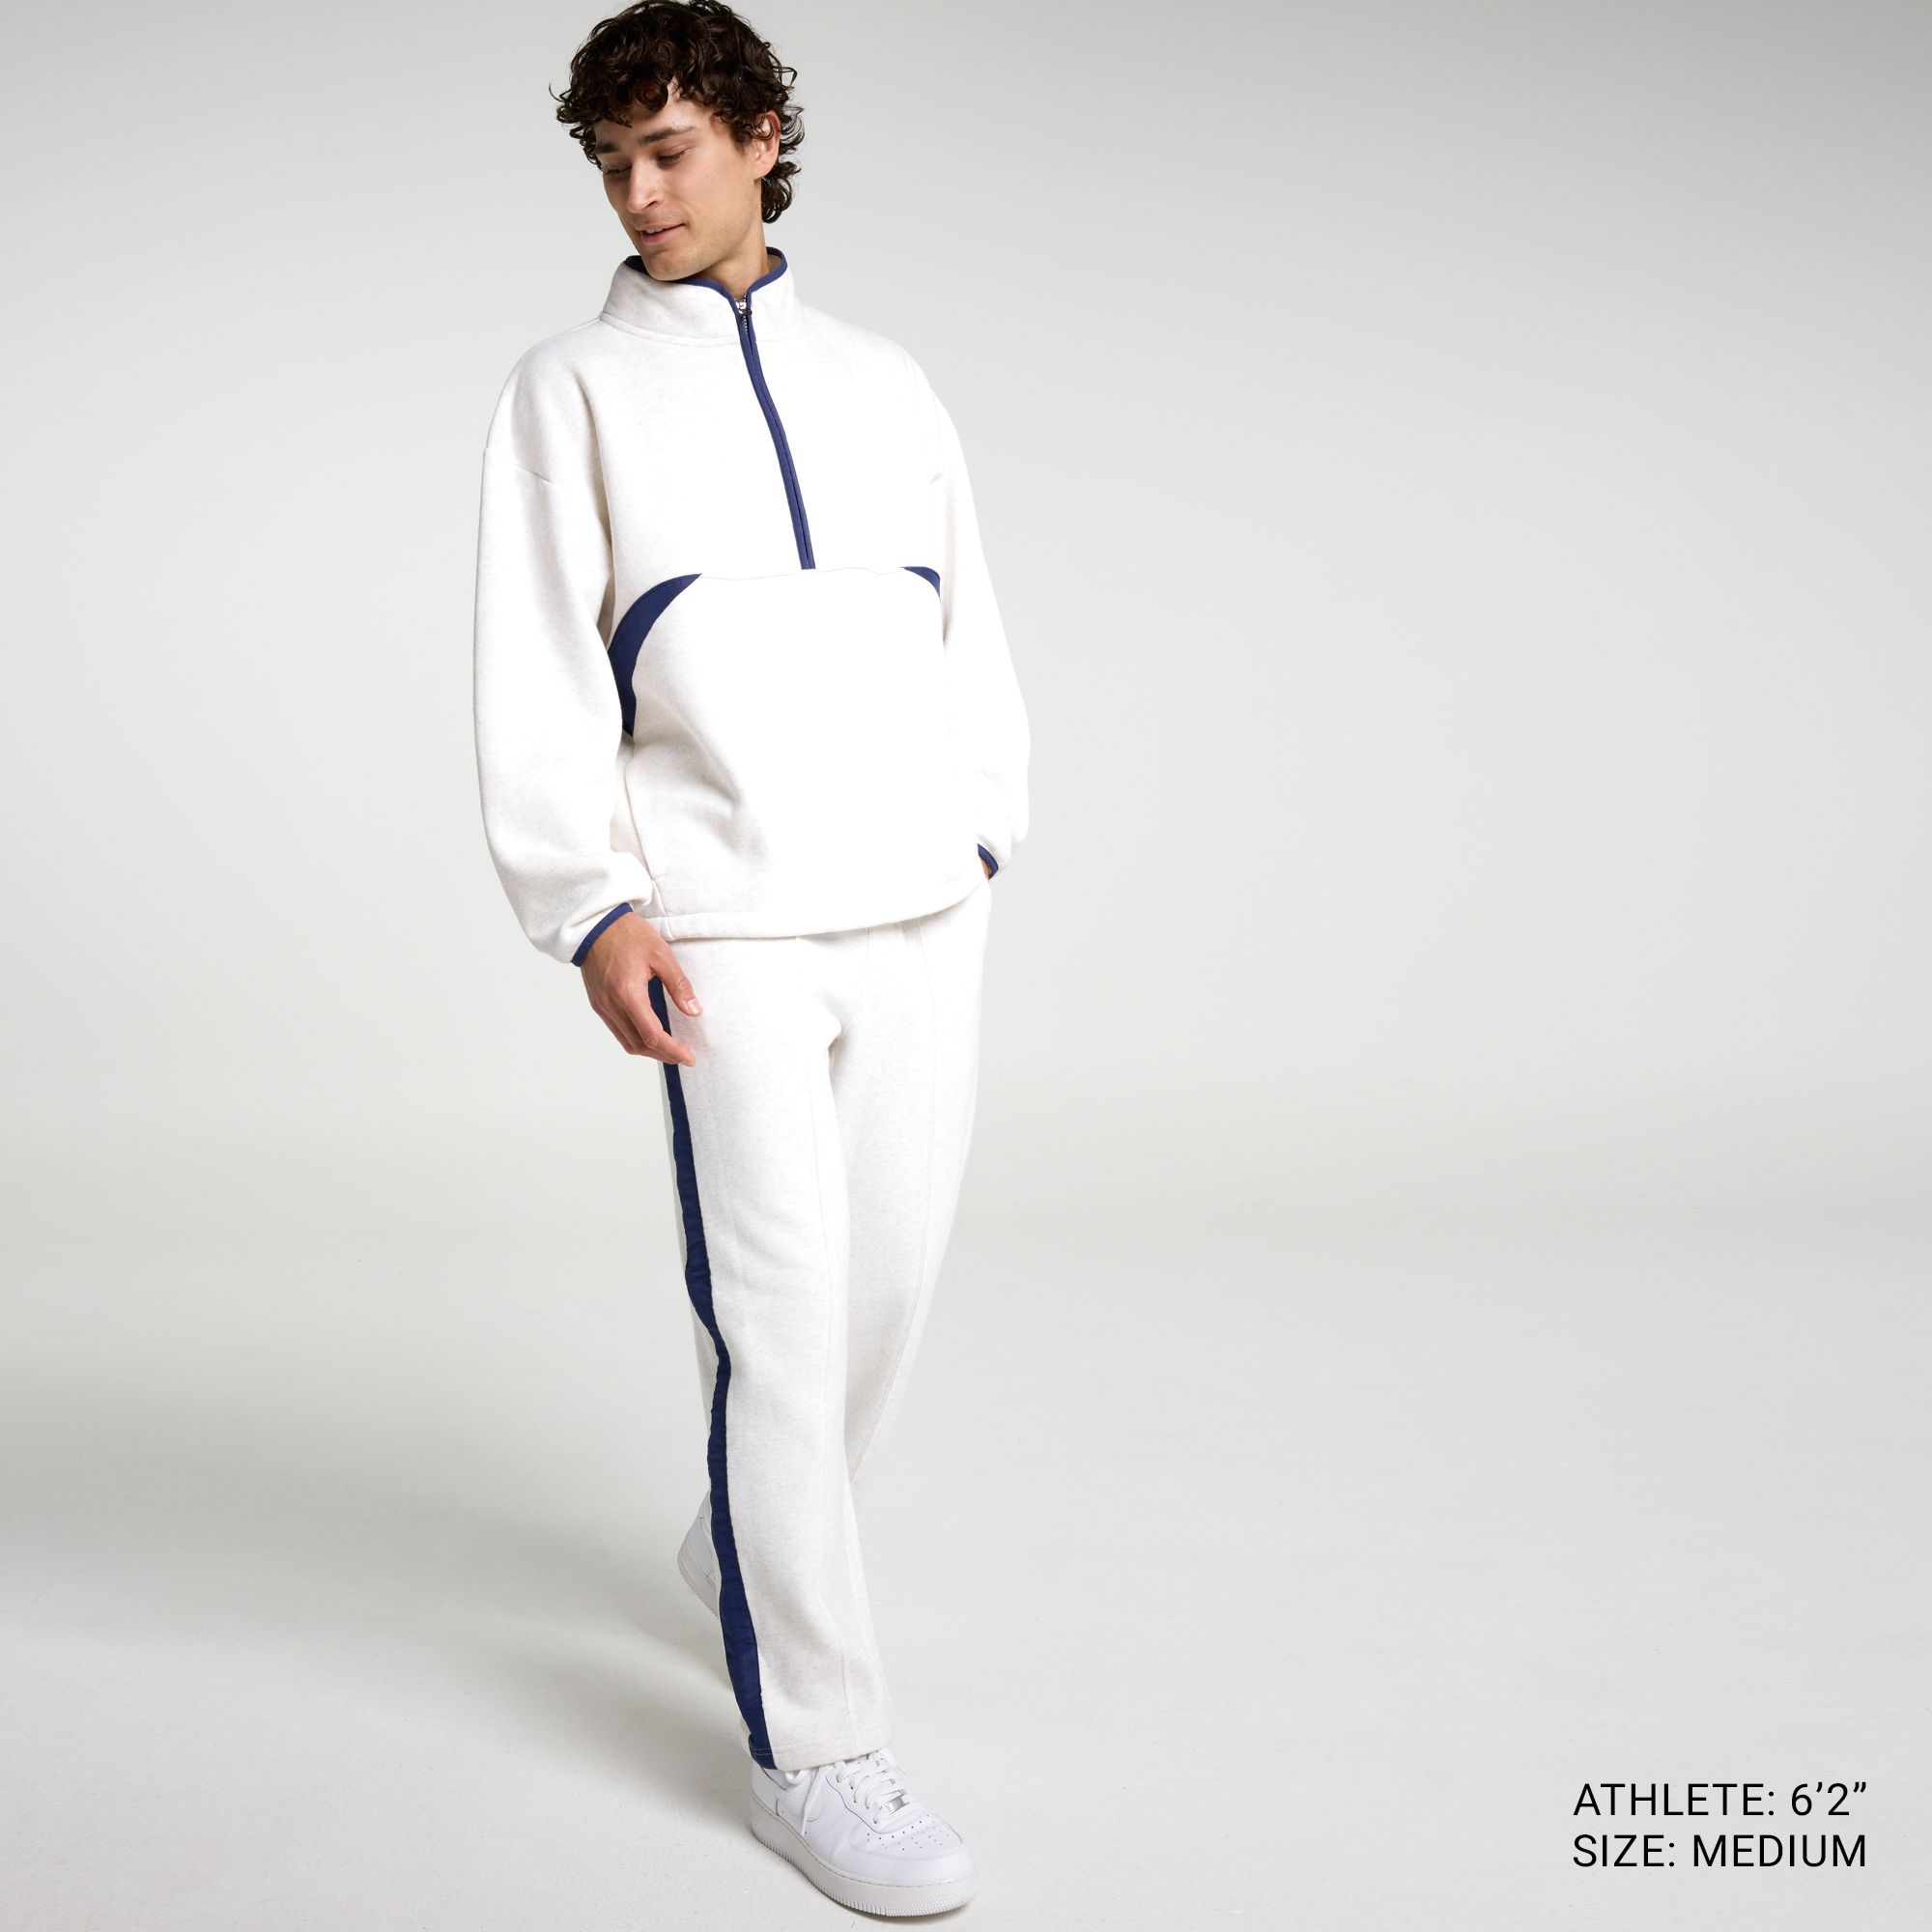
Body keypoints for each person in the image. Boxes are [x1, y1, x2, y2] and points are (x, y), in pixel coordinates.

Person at [469, 1, 1030, 1914]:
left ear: (761, 139)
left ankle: (746, 1539)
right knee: (779, 1319)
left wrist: (980, 828)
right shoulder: (570, 390)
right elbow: (536, 656)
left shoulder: (885, 380)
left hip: (919, 905)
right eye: (610, 164)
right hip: (718, 922)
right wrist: (589, 901)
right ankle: (822, 1748)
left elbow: (968, 625)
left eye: (671, 152)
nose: (638, 195)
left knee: (886, 1292)